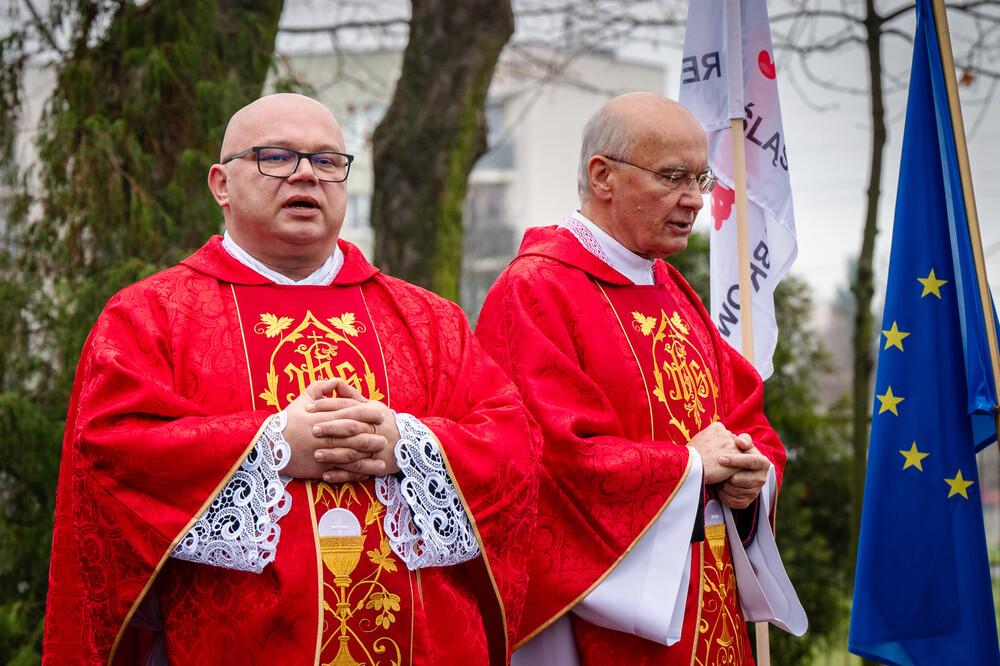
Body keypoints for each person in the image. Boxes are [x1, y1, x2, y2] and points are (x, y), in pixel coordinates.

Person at [43, 93, 539, 665]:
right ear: (221, 185)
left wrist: (405, 445)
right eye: (276, 157)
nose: (306, 174)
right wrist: (273, 447)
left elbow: (515, 444)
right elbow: (110, 451)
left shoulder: (429, 321)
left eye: (327, 161)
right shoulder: (151, 317)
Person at [475, 92, 804, 665]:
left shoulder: (673, 290)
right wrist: (690, 467)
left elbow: (743, 418)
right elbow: (548, 458)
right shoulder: (535, 290)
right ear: (602, 176)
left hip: (706, 594)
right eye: (673, 177)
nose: (695, 199)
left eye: (700, 179)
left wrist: (753, 474)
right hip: (600, 618)